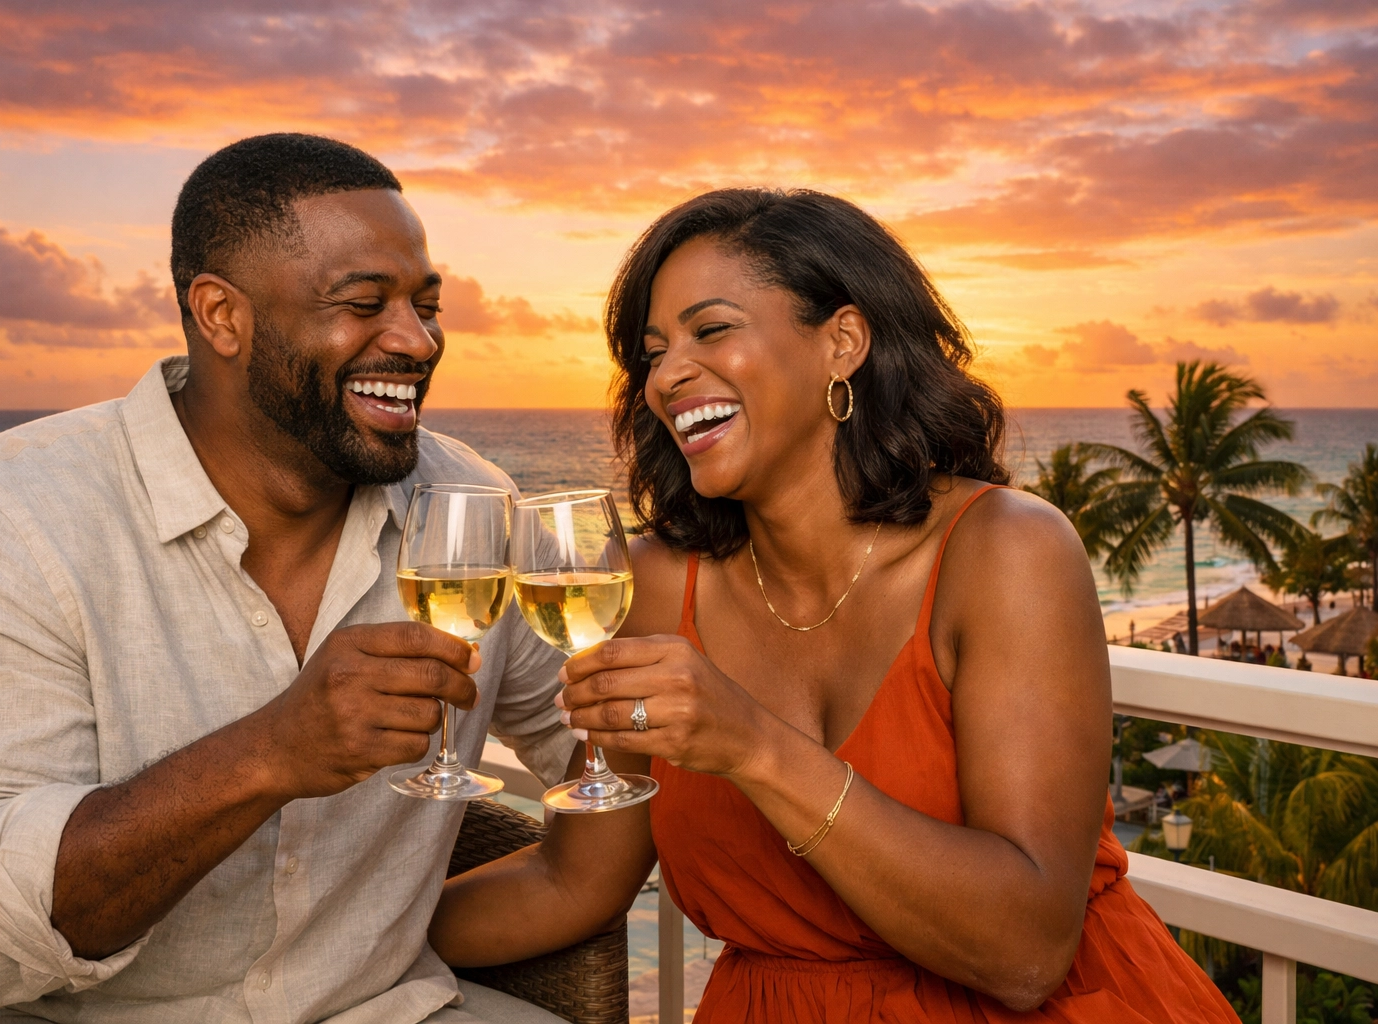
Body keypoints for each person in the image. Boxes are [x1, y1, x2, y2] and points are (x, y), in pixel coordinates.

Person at [0, 134, 651, 1024]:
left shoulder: (468, 504)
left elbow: (597, 753)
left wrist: (390, 937)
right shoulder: (9, 514)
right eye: (365, 303)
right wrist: (270, 752)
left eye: (427, 305)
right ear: (221, 315)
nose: (418, 340)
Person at [434, 189, 1239, 1021]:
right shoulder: (657, 586)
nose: (667, 376)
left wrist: (751, 744)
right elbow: (569, 881)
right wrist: (326, 946)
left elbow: (1028, 952)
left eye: (710, 331)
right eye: (652, 351)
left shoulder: (1006, 552)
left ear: (842, 343)